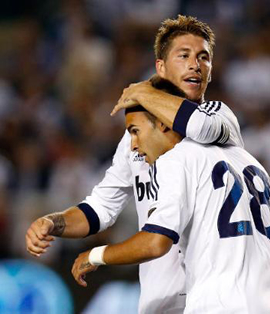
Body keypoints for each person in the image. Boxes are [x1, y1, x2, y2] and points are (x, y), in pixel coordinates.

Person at [25, 15, 243, 314]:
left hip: (212, 301)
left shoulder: (219, 117)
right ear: (161, 67)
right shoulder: (135, 139)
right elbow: (101, 208)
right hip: (159, 302)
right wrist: (52, 223)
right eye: (184, 55)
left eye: (203, 57)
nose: (196, 64)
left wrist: (143, 92)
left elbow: (198, 128)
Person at [71, 83, 270, 313]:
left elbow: (156, 243)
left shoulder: (177, 159)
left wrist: (96, 255)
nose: (133, 145)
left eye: (135, 131)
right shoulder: (252, 163)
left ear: (164, 123)